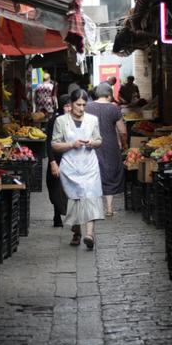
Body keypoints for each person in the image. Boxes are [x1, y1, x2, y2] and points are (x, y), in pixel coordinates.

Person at [51, 89, 104, 249]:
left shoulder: (93, 120)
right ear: (71, 104)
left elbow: (99, 139)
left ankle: (89, 234)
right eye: (78, 104)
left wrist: (92, 143)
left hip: (89, 164)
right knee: (74, 200)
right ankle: (77, 231)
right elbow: (54, 144)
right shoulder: (61, 121)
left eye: (83, 105)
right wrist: (70, 144)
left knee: (91, 196)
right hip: (70, 166)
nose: (81, 108)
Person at [85, 83, 127, 217]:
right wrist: (124, 144)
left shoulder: (87, 107)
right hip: (110, 145)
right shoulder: (113, 108)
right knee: (110, 174)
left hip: (91, 144)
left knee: (94, 173)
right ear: (109, 95)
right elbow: (122, 131)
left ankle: (95, 209)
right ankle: (109, 208)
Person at [46, 94, 72, 227]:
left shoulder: (76, 120)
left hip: (71, 159)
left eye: (71, 105)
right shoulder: (54, 120)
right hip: (57, 159)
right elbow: (49, 142)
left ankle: (70, 217)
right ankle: (57, 214)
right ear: (62, 107)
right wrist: (52, 162)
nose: (69, 108)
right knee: (54, 187)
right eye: (66, 106)